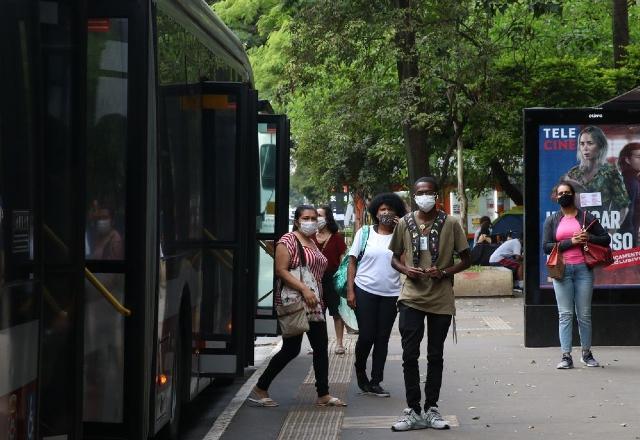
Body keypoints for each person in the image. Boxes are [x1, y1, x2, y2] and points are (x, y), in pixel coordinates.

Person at [388, 177, 470, 431]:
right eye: (420, 192)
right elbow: (394, 259)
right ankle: (412, 409)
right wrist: (406, 269)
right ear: (414, 196)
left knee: (436, 354)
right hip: (411, 296)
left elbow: (466, 259)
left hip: (441, 297)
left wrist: (444, 272)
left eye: (429, 193)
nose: (425, 197)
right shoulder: (403, 223)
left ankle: (431, 408)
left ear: (437, 196)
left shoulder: (452, 223)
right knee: (409, 354)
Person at [250, 205, 347, 407]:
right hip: (296, 301)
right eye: (306, 218)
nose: (311, 221)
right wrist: (304, 289)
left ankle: (323, 395)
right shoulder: (288, 241)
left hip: (314, 303)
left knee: (320, 347)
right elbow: (281, 270)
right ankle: (260, 387)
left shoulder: (312, 241)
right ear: (296, 221)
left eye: (314, 218)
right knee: (291, 349)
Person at [542, 181, 610, 369]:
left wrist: (588, 237)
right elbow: (546, 246)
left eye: (567, 192)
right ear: (556, 197)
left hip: (583, 270)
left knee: (584, 314)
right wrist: (571, 241)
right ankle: (566, 356)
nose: (564, 196)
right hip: (562, 270)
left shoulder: (586, 217)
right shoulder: (553, 220)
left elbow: (606, 239)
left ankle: (586, 354)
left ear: (573, 195)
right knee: (565, 314)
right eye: (560, 193)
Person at [346, 192, 407, 398]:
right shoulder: (364, 233)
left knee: (382, 339)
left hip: (391, 294)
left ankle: (376, 381)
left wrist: (402, 231)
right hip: (365, 290)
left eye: (391, 209)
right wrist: (350, 291)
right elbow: (352, 262)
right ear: (376, 212)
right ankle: (360, 370)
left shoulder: (401, 235)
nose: (387, 213)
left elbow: (407, 264)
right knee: (366, 336)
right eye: (382, 209)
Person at [562, 126, 629, 218]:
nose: (585, 148)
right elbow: (561, 201)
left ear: (600, 145)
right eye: (582, 144)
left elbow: (624, 206)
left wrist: (611, 231)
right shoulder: (573, 173)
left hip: (602, 226)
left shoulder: (610, 172)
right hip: (577, 227)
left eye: (590, 143)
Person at [312, 205, 348, 354]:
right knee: (316, 315)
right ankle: (319, 345)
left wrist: (345, 282)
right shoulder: (310, 238)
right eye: (315, 216)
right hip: (314, 280)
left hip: (332, 279)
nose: (316, 219)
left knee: (336, 313)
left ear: (327, 218)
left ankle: (339, 344)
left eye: (319, 215)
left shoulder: (337, 238)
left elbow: (343, 262)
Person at [618, 142, 640, 246]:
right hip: (628, 234)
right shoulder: (630, 181)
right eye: (638, 157)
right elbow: (628, 210)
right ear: (627, 160)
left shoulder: (632, 179)